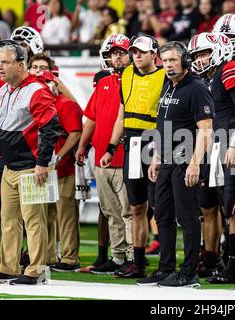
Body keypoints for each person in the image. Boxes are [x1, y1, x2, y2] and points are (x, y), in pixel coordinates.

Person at [137, 41, 214, 287]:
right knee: (162, 214)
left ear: (185, 61)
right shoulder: (167, 86)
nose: (168, 65)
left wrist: (194, 164)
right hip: (167, 160)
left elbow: (206, 130)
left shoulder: (197, 88)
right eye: (165, 60)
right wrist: (157, 158)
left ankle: (189, 272)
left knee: (188, 216)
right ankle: (165, 268)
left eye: (172, 60)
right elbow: (164, 126)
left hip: (186, 160)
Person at [0, 40, 59, 285]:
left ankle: (36, 270)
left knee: (34, 221)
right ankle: (8, 266)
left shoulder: (37, 90)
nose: (0, 67)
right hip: (9, 167)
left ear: (22, 64)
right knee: (8, 220)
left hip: (32, 168)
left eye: (5, 62)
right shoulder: (2, 89)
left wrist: (42, 163)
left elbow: (50, 128)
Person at [189, 32, 235, 284]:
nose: (200, 59)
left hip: (232, 143)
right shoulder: (206, 78)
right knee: (221, 206)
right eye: (197, 55)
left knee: (234, 206)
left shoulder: (230, 68)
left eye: (204, 53)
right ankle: (227, 264)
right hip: (216, 145)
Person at [100, 35, 166, 278]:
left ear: (154, 54)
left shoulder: (164, 75)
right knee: (136, 206)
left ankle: (165, 262)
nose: (137, 56)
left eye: (142, 52)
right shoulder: (127, 74)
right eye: (134, 52)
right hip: (133, 143)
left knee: (161, 207)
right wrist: (110, 147)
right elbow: (122, 114)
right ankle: (137, 263)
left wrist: (161, 148)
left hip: (156, 142)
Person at [76, 34, 134, 275]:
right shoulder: (103, 82)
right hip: (101, 157)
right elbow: (91, 117)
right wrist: (82, 144)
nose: (117, 56)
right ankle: (118, 256)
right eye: (113, 53)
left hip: (124, 157)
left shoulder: (135, 81)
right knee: (110, 211)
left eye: (121, 52)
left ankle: (133, 255)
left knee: (128, 211)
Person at [28, 54, 83, 272]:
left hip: (62, 169)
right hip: (38, 167)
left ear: (54, 78)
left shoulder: (64, 103)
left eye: (43, 69)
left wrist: (59, 157)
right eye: (35, 67)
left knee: (65, 215)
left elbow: (76, 133)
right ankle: (48, 255)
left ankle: (69, 258)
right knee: (43, 215)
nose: (39, 72)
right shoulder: (32, 101)